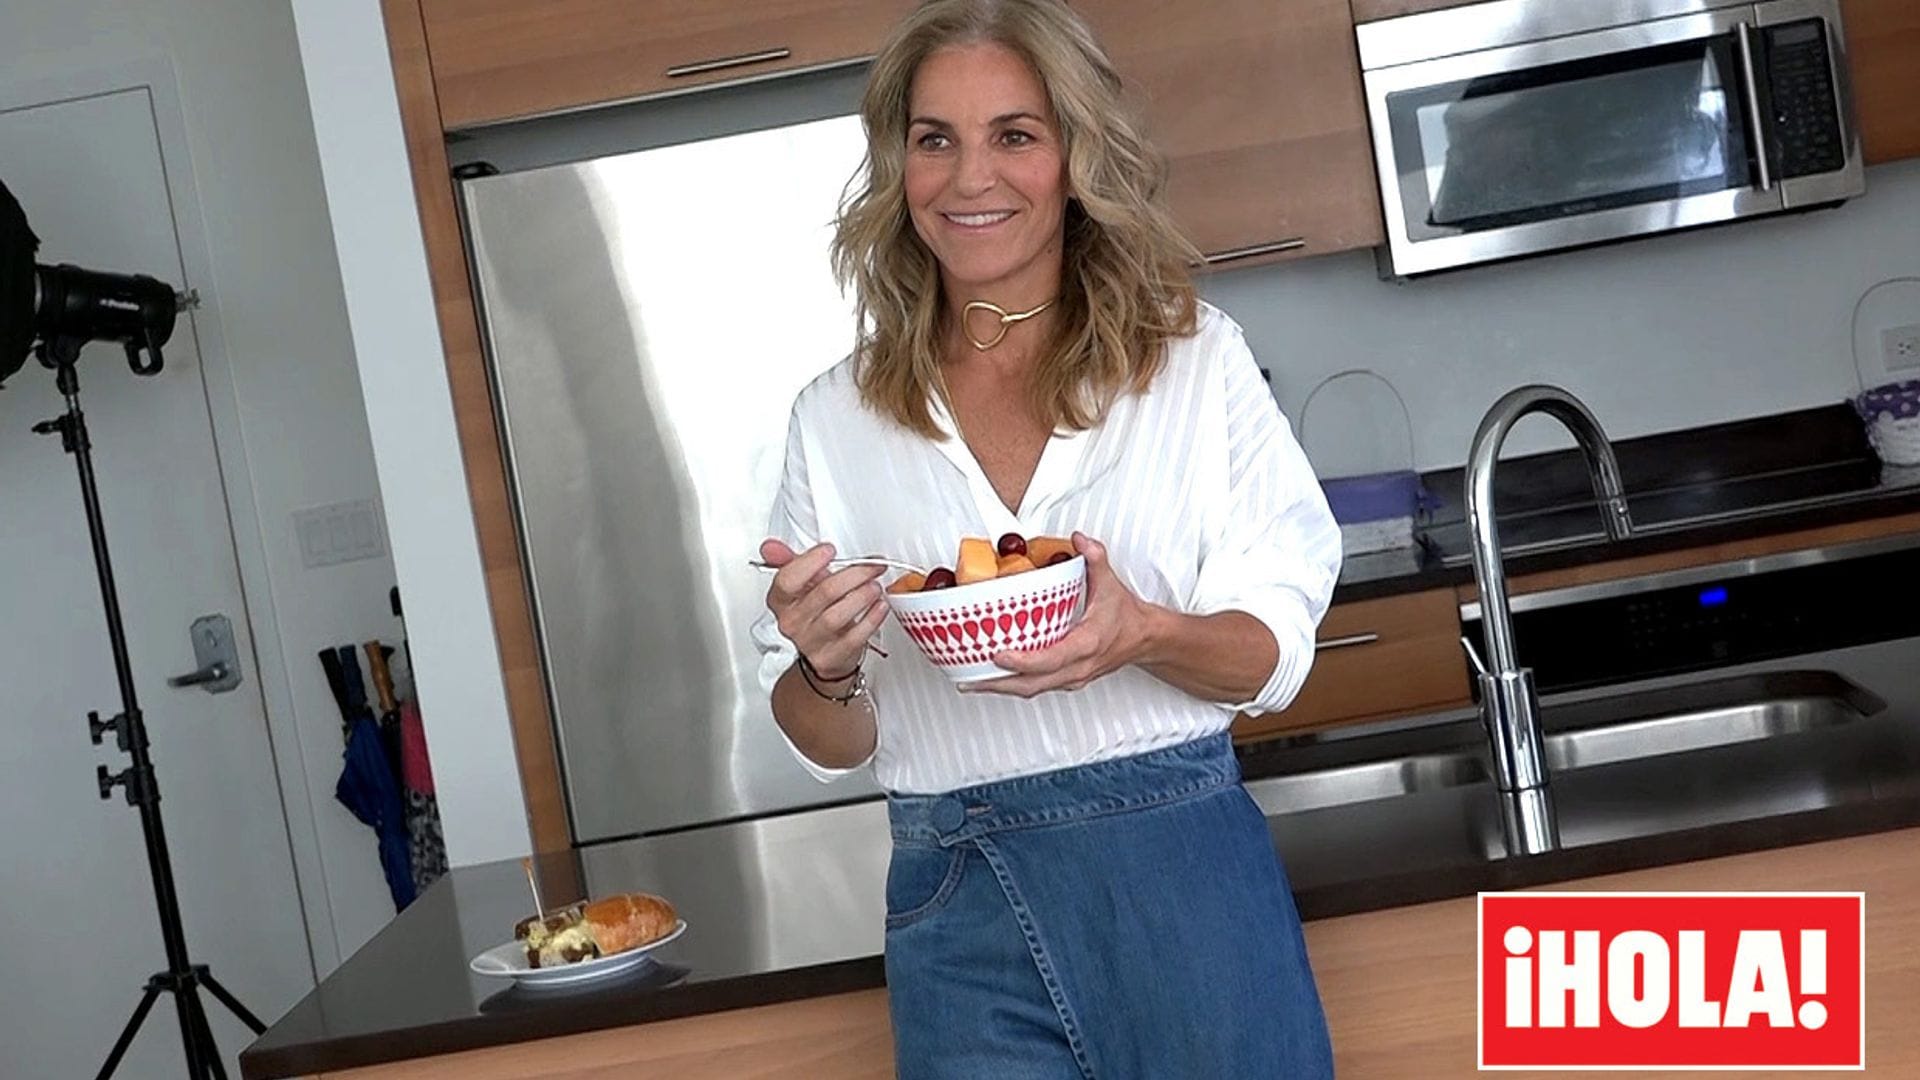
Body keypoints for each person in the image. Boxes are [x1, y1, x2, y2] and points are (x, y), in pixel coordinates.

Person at [751, 1, 1342, 1075]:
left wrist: (1147, 633)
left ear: (1076, 159)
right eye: (937, 139)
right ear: (899, 168)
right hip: (950, 890)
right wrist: (824, 665)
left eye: (1014, 135)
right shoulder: (833, 418)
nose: (971, 177)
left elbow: (1274, 655)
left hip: (1182, 877)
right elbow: (827, 738)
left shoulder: (1194, 362)